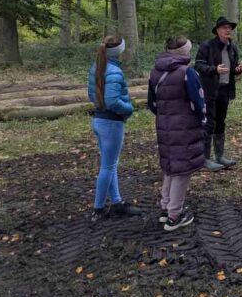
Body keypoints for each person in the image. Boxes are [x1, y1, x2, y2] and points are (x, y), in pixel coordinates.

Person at [148, 36, 207, 231]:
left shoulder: (155, 72)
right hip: (184, 128)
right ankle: (175, 215)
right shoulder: (187, 73)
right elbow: (198, 103)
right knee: (182, 171)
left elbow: (152, 103)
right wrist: (202, 120)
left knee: (170, 168)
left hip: (164, 127)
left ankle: (165, 209)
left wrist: (166, 116)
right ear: (184, 52)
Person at [87, 35, 141, 221]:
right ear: (119, 50)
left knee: (110, 165)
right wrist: (129, 109)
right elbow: (112, 101)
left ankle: (116, 202)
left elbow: (92, 95)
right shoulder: (114, 71)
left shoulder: (97, 67)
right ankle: (99, 209)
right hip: (111, 124)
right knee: (108, 167)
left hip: (99, 121)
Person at [195, 17, 242, 171]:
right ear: (217, 30)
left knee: (221, 121)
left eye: (229, 28)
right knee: (209, 122)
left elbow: (234, 66)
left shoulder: (232, 47)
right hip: (209, 90)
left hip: (225, 89)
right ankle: (205, 159)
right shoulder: (207, 46)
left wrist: (238, 69)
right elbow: (198, 65)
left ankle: (220, 156)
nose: (227, 30)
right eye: (224, 28)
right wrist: (214, 69)